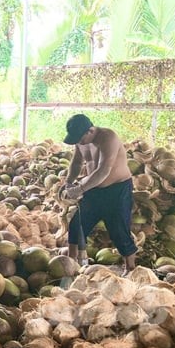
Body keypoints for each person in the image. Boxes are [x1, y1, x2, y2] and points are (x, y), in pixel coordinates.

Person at [62, 114, 137, 275]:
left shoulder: (108, 137)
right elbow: (76, 163)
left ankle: (130, 269)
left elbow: (104, 170)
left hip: (117, 190)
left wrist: (80, 188)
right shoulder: (80, 143)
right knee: (77, 225)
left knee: (119, 230)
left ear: (90, 131)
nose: (79, 142)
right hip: (93, 190)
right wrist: (69, 182)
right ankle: (71, 265)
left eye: (80, 138)